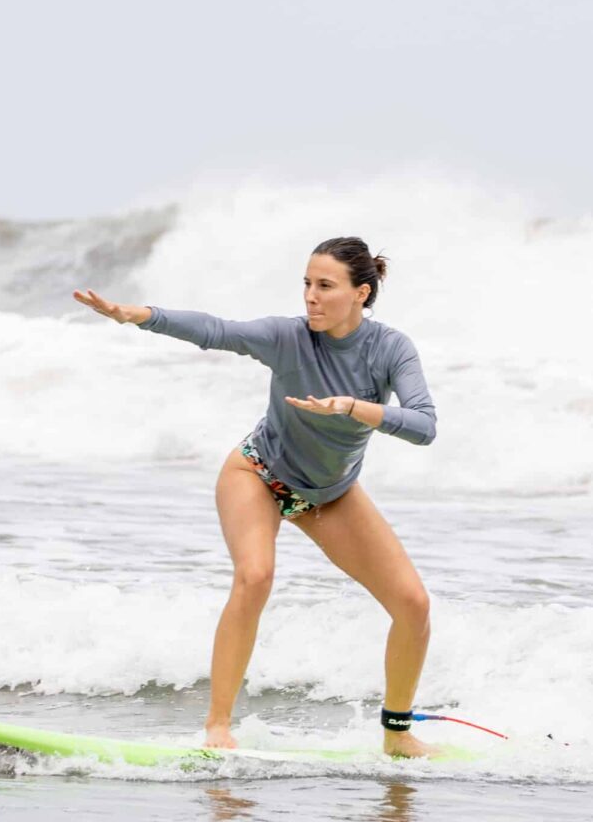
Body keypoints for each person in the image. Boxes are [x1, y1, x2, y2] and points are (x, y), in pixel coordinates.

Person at [73, 236, 438, 758]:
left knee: (413, 604)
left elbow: (424, 426)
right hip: (259, 475)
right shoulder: (288, 337)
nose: (311, 297)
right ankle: (218, 726)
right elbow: (217, 330)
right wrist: (137, 314)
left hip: (329, 494)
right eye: (307, 284)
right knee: (255, 575)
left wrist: (354, 407)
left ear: (361, 293)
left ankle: (397, 734)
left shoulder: (390, 349)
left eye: (325, 286)